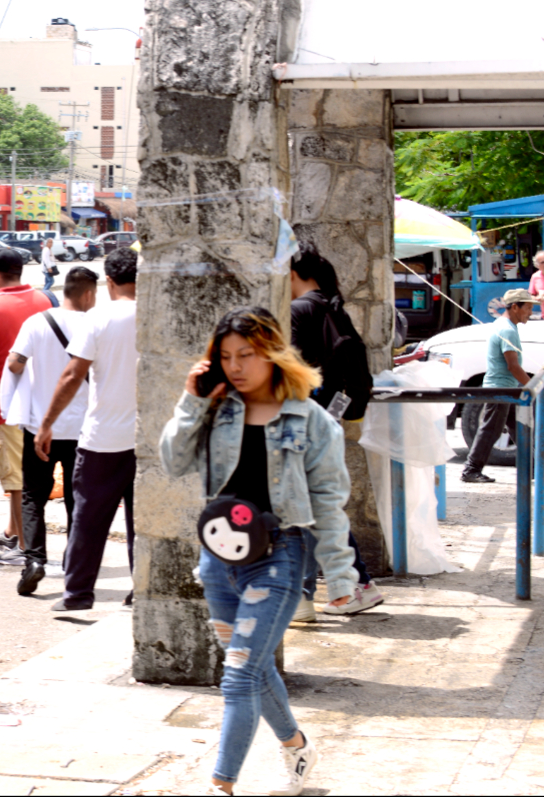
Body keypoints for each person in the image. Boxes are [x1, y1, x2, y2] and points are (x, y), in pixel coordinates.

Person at [160, 307, 357, 797]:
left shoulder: (309, 418)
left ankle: (220, 786)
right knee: (254, 666)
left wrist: (341, 574)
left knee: (237, 676)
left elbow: (330, 499)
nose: (235, 367)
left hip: (278, 560)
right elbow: (171, 461)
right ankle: (297, 747)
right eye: (225, 357)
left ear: (271, 353)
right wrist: (191, 400)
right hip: (217, 562)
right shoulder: (217, 408)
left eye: (246, 355)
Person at [35, 249, 138, 611]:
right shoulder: (158, 314)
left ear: (109, 282)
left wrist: (46, 424)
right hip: (149, 440)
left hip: (103, 438)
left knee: (88, 520)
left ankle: (77, 594)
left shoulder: (99, 317)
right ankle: (141, 590)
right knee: (142, 522)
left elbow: (72, 374)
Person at [288, 243, 382, 618]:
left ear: (295, 275)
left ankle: (350, 586)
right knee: (312, 504)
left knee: (311, 505)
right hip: (332, 414)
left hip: (307, 416)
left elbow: (291, 367)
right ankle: (314, 596)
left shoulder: (300, 309)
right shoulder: (332, 305)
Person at [5, 266, 98, 595]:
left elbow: (15, 362)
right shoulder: (94, 325)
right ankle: (73, 566)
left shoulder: (37, 322)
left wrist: (34, 370)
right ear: (88, 294)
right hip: (83, 431)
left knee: (33, 495)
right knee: (78, 501)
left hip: (39, 426)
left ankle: (34, 560)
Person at [0, 248, 53, 565]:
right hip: (44, 402)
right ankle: (11, 531)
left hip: (6, 404)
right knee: (27, 471)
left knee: (15, 478)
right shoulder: (43, 300)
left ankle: (23, 544)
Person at [462, 287, 536, 484]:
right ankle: (471, 469)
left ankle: (533, 466)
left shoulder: (507, 326)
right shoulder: (506, 330)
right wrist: (533, 387)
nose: (530, 312)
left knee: (517, 428)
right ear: (514, 307)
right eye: (527, 308)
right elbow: (513, 366)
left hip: (507, 388)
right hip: (500, 388)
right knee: (491, 430)